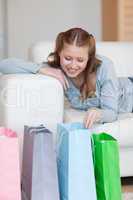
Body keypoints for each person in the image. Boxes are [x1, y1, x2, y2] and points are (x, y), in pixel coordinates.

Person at [0, 27, 133, 128]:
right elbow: (4, 65)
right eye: (68, 58)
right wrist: (41, 69)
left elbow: (111, 113)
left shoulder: (104, 66)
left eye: (80, 60)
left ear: (89, 58)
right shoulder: (56, 70)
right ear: (59, 53)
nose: (73, 66)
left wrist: (99, 113)